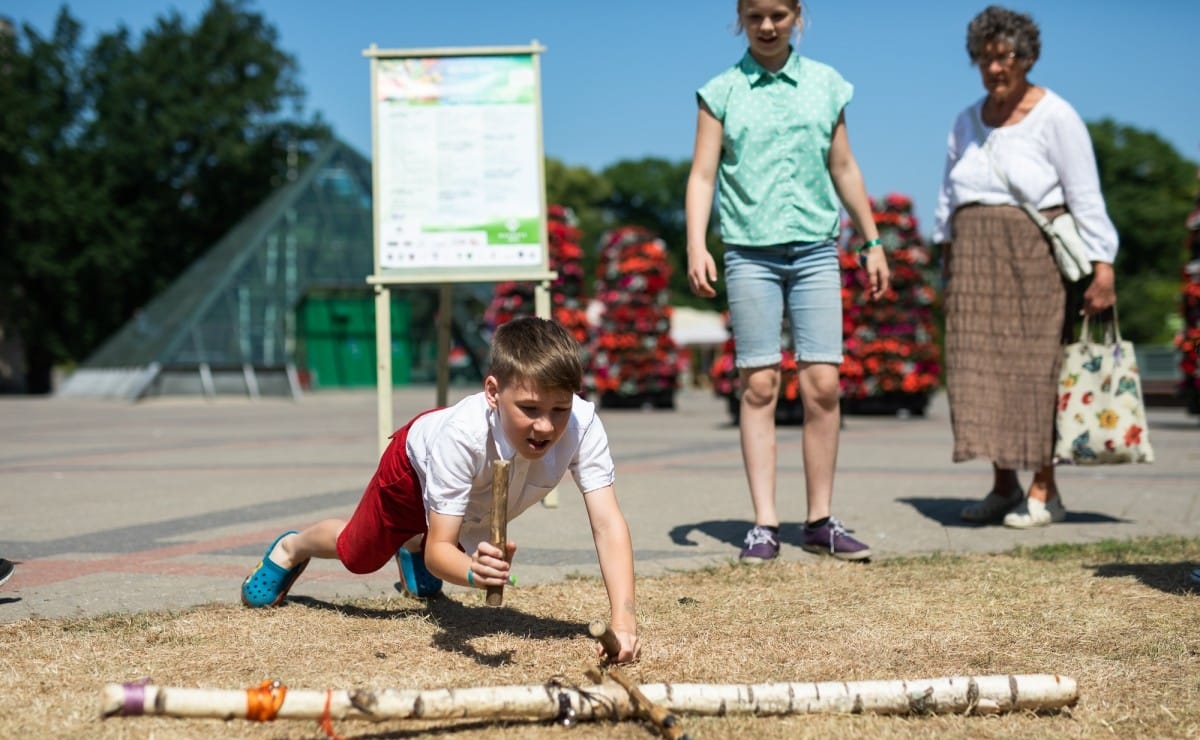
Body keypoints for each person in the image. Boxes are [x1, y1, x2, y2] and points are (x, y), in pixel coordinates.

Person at [240, 317, 640, 662]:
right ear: (493, 392)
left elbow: (607, 524)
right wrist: (472, 572)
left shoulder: (583, 425)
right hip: (411, 471)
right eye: (530, 409)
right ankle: (294, 547)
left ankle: (410, 541)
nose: (546, 427)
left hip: (466, 499)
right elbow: (440, 553)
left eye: (559, 409)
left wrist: (624, 621)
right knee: (358, 555)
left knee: (441, 537)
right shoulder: (460, 437)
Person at [685, 0, 890, 563]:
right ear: (740, 20)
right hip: (749, 254)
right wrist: (696, 242)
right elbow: (703, 173)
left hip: (816, 251)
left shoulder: (827, 85)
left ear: (798, 14)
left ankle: (820, 520)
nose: (768, 26)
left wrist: (871, 241)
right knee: (759, 386)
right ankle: (764, 524)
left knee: (822, 383)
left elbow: (843, 166)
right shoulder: (720, 91)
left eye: (778, 14)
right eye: (755, 17)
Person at [932, 6, 1118, 529]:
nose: (996, 67)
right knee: (978, 372)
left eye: (1007, 56)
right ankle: (1002, 484)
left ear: (1029, 57)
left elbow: (1085, 194)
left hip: (1032, 259)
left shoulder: (1055, 115)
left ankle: (1045, 489)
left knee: (1035, 371)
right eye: (986, 58)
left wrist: (1104, 265)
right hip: (972, 260)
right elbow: (947, 197)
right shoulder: (965, 121)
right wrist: (945, 257)